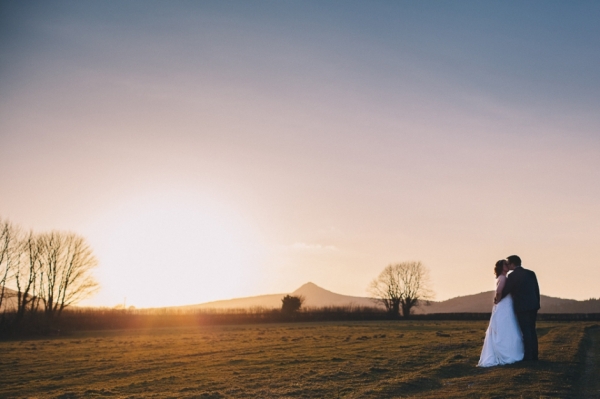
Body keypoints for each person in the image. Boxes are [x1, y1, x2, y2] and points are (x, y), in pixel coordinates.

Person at [478, 259, 524, 367]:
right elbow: (499, 291)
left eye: (508, 264)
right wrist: (498, 300)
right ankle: (508, 352)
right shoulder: (503, 278)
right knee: (507, 327)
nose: (507, 266)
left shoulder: (500, 277)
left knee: (504, 327)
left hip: (504, 305)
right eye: (505, 264)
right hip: (505, 305)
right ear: (501, 267)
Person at [500, 255, 540, 361]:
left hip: (522, 307)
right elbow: (536, 290)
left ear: (513, 264)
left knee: (525, 331)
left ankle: (528, 356)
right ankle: (535, 355)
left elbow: (507, 290)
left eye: (508, 263)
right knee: (532, 330)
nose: (508, 266)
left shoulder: (513, 276)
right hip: (533, 305)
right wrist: (537, 304)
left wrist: (498, 299)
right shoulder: (531, 273)